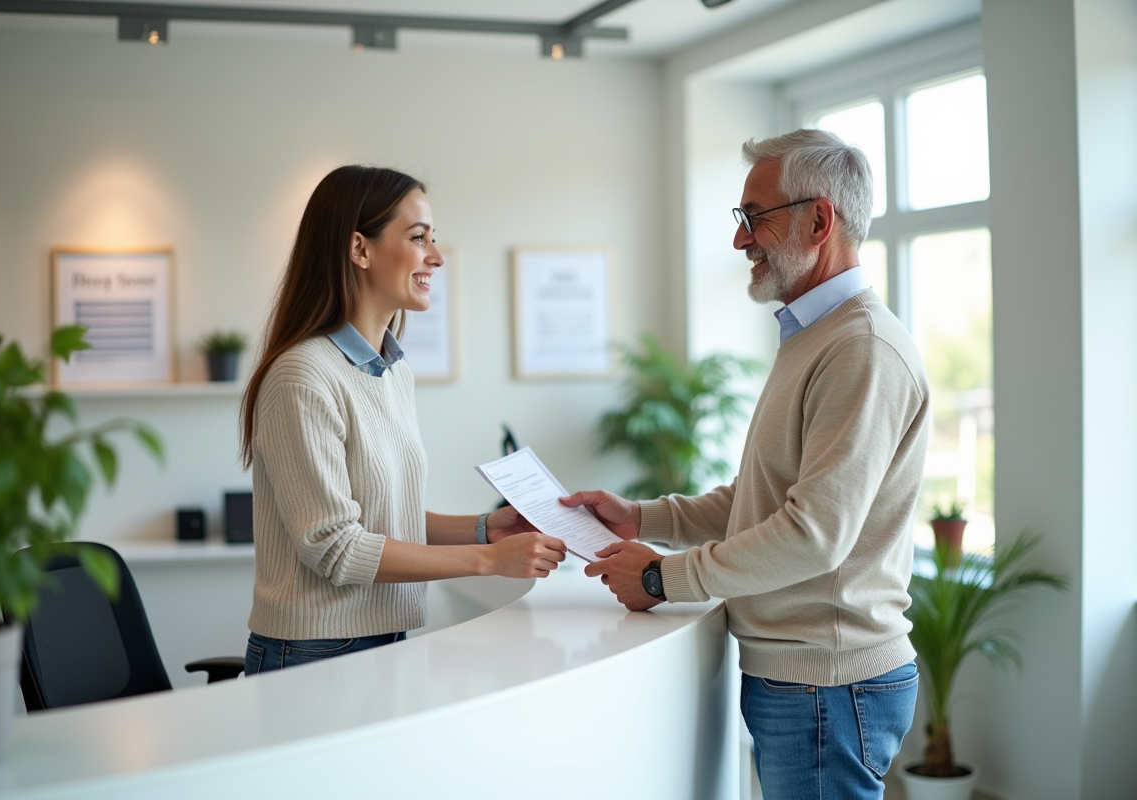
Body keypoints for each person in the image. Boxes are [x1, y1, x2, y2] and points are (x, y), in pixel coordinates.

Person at [562, 129, 930, 800]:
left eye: (753, 217)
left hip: (829, 683)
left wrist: (663, 576)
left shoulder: (862, 348)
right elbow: (762, 500)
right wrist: (641, 517)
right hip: (809, 682)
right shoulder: (815, 336)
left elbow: (814, 534)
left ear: (820, 221)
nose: (740, 240)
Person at [239, 165, 566, 675]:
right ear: (359, 249)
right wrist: (486, 563)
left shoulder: (392, 369)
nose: (436, 257)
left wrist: (485, 530)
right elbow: (336, 548)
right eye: (418, 238)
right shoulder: (301, 377)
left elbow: (385, 519)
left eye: (433, 239)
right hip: (314, 651)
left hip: (388, 637)